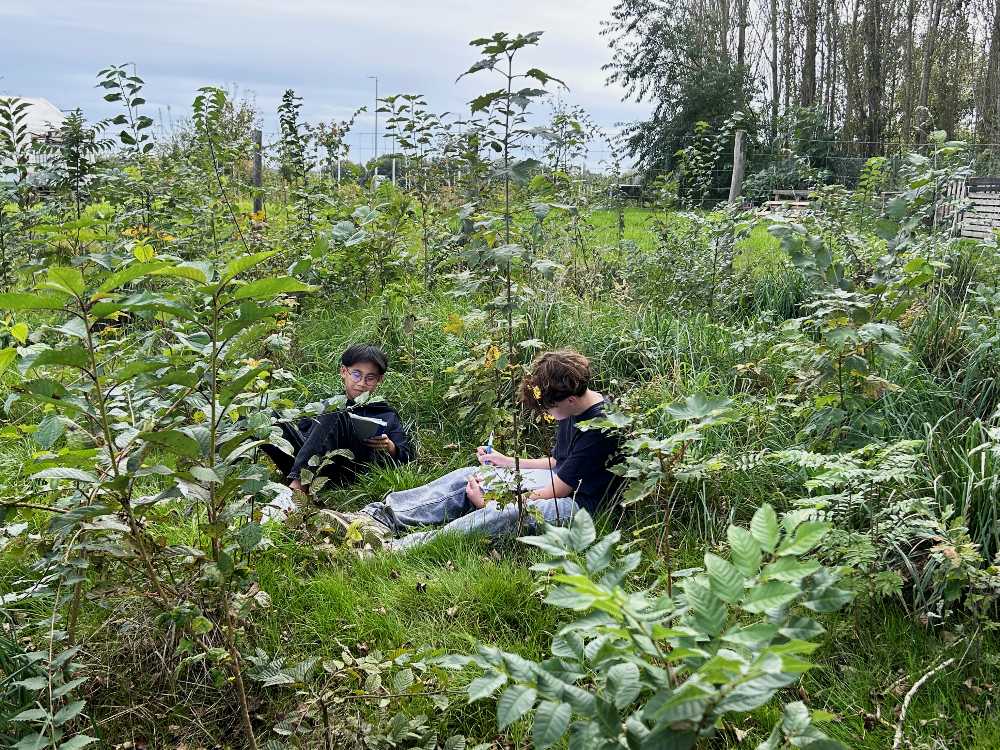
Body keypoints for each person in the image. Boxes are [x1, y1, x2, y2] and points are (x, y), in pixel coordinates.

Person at [335, 349, 622, 551]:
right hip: (561, 484)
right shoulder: (574, 408)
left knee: (505, 513)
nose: (548, 413)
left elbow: (561, 488)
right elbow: (560, 462)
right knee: (474, 475)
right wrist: (505, 462)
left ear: (570, 400)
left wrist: (496, 500)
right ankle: (377, 517)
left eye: (550, 408)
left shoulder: (599, 427)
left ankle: (394, 548)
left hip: (580, 507)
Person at [261, 344, 414, 498]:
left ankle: (296, 491)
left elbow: (407, 455)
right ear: (343, 372)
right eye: (356, 374)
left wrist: (390, 446)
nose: (361, 383)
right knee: (265, 415)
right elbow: (302, 434)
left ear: (379, 380)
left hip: (344, 469)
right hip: (309, 460)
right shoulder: (327, 405)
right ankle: (239, 472)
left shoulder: (386, 413)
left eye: (370, 378)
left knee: (336, 410)